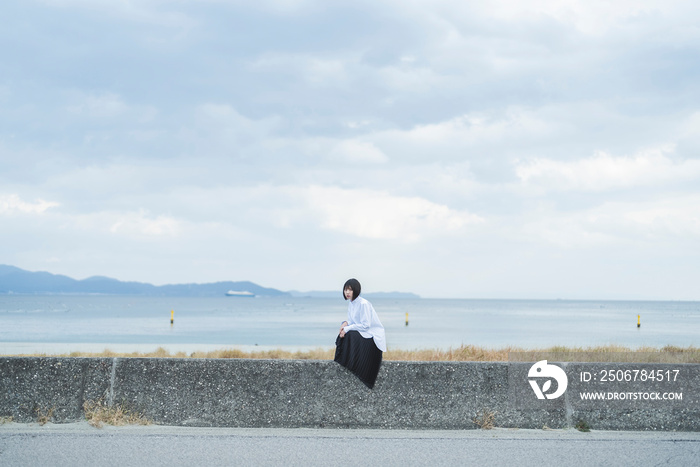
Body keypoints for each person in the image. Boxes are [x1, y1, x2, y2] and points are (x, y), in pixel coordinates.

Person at [334, 278, 386, 389]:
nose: (347, 292)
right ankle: (343, 362)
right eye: (345, 290)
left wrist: (347, 329)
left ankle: (353, 364)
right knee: (342, 335)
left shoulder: (363, 304)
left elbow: (365, 325)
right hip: (363, 332)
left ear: (356, 290)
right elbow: (352, 322)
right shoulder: (352, 303)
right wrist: (344, 324)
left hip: (371, 335)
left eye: (350, 290)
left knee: (350, 335)